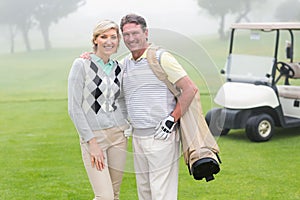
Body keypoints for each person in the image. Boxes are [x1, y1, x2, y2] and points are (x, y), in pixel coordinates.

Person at [120, 14, 198, 200]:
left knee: (161, 192)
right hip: (138, 135)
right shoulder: (124, 63)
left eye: (135, 33)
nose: (131, 39)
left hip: (161, 136)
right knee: (145, 192)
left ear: (145, 33)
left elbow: (190, 89)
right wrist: (89, 56)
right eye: (126, 35)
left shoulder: (161, 57)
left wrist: (172, 119)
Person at [68, 19, 131, 200]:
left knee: (115, 194)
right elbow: (74, 108)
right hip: (94, 137)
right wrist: (92, 142)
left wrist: (125, 123)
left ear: (118, 40)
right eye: (104, 37)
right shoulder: (81, 65)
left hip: (118, 136)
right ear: (95, 40)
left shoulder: (118, 68)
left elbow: (122, 99)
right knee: (105, 196)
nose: (109, 41)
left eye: (113, 37)